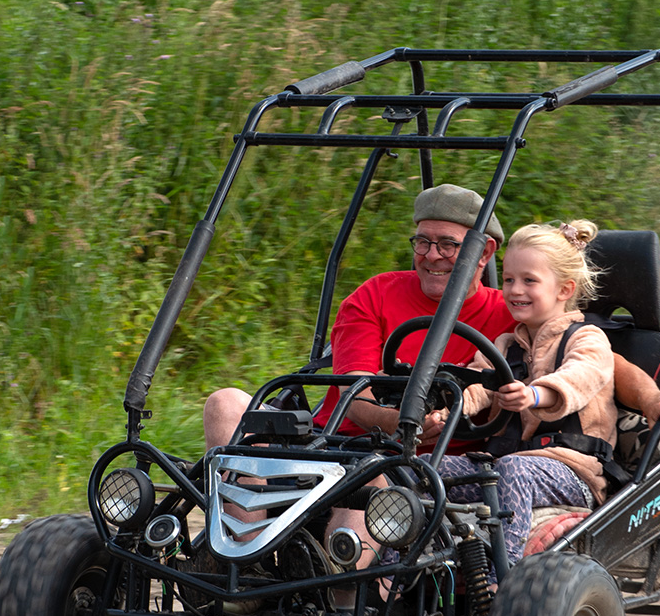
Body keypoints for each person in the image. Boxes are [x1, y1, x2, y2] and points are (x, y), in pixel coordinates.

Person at [201, 184, 516, 567]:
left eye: (448, 245)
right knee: (225, 404)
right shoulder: (376, 293)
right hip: (331, 442)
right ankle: (243, 556)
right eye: (422, 242)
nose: (432, 256)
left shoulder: (510, 315)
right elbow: (355, 398)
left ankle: (335, 583)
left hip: (413, 466)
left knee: (371, 472)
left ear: (483, 252)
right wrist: (403, 422)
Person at [437, 219, 660, 568]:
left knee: (513, 470)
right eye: (509, 279)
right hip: (507, 465)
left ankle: (502, 581)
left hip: (576, 471)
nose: (514, 290)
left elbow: (578, 379)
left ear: (564, 290)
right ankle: (391, 584)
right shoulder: (506, 344)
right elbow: (479, 383)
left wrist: (535, 395)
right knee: (422, 472)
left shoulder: (587, 339)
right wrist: (451, 407)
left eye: (529, 281)